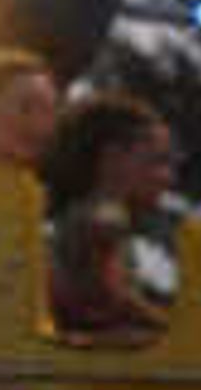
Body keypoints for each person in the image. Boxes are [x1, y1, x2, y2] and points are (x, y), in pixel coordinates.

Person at [42, 87, 179, 340]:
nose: (168, 178)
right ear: (112, 158)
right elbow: (111, 299)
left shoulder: (88, 215)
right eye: (156, 162)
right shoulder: (102, 219)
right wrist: (170, 328)